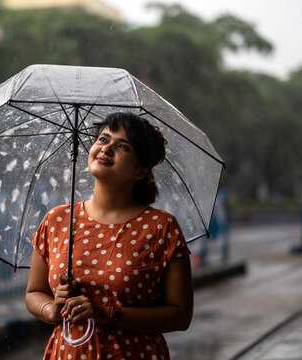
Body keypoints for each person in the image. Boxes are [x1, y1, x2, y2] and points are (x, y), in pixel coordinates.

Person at [26, 111, 193, 360]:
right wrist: (50, 309)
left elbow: (180, 315)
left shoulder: (161, 227)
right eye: (103, 139)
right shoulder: (57, 220)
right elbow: (33, 293)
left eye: (122, 146)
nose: (107, 148)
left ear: (141, 169)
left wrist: (108, 314)